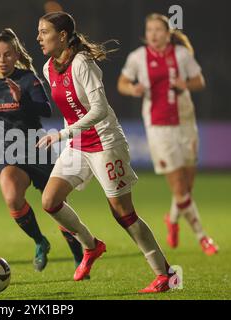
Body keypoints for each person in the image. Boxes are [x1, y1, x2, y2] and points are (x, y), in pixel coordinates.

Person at [36, 11, 176, 293]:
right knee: (50, 201)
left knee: (123, 213)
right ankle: (91, 246)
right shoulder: (48, 67)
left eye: (44, 32)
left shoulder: (82, 63)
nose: (39, 38)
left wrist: (63, 134)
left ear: (62, 36)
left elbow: (99, 110)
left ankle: (166, 274)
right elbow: (69, 109)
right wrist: (69, 136)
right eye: (38, 32)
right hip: (78, 145)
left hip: (105, 143)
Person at [0, 28, 85, 272]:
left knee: (57, 207)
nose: (2, 60)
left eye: (7, 54)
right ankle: (39, 241)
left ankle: (80, 256)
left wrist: (22, 98)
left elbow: (46, 110)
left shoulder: (29, 80)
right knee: (12, 198)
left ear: (16, 56)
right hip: (8, 153)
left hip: (37, 149)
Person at [117, 13, 218, 255]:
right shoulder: (137, 57)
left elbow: (199, 81)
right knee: (179, 188)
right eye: (149, 29)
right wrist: (133, 88)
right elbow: (121, 83)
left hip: (185, 122)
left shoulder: (182, 55)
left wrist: (186, 85)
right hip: (158, 128)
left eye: (158, 29)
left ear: (167, 33)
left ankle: (172, 219)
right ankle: (203, 237)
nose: (153, 34)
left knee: (186, 187)